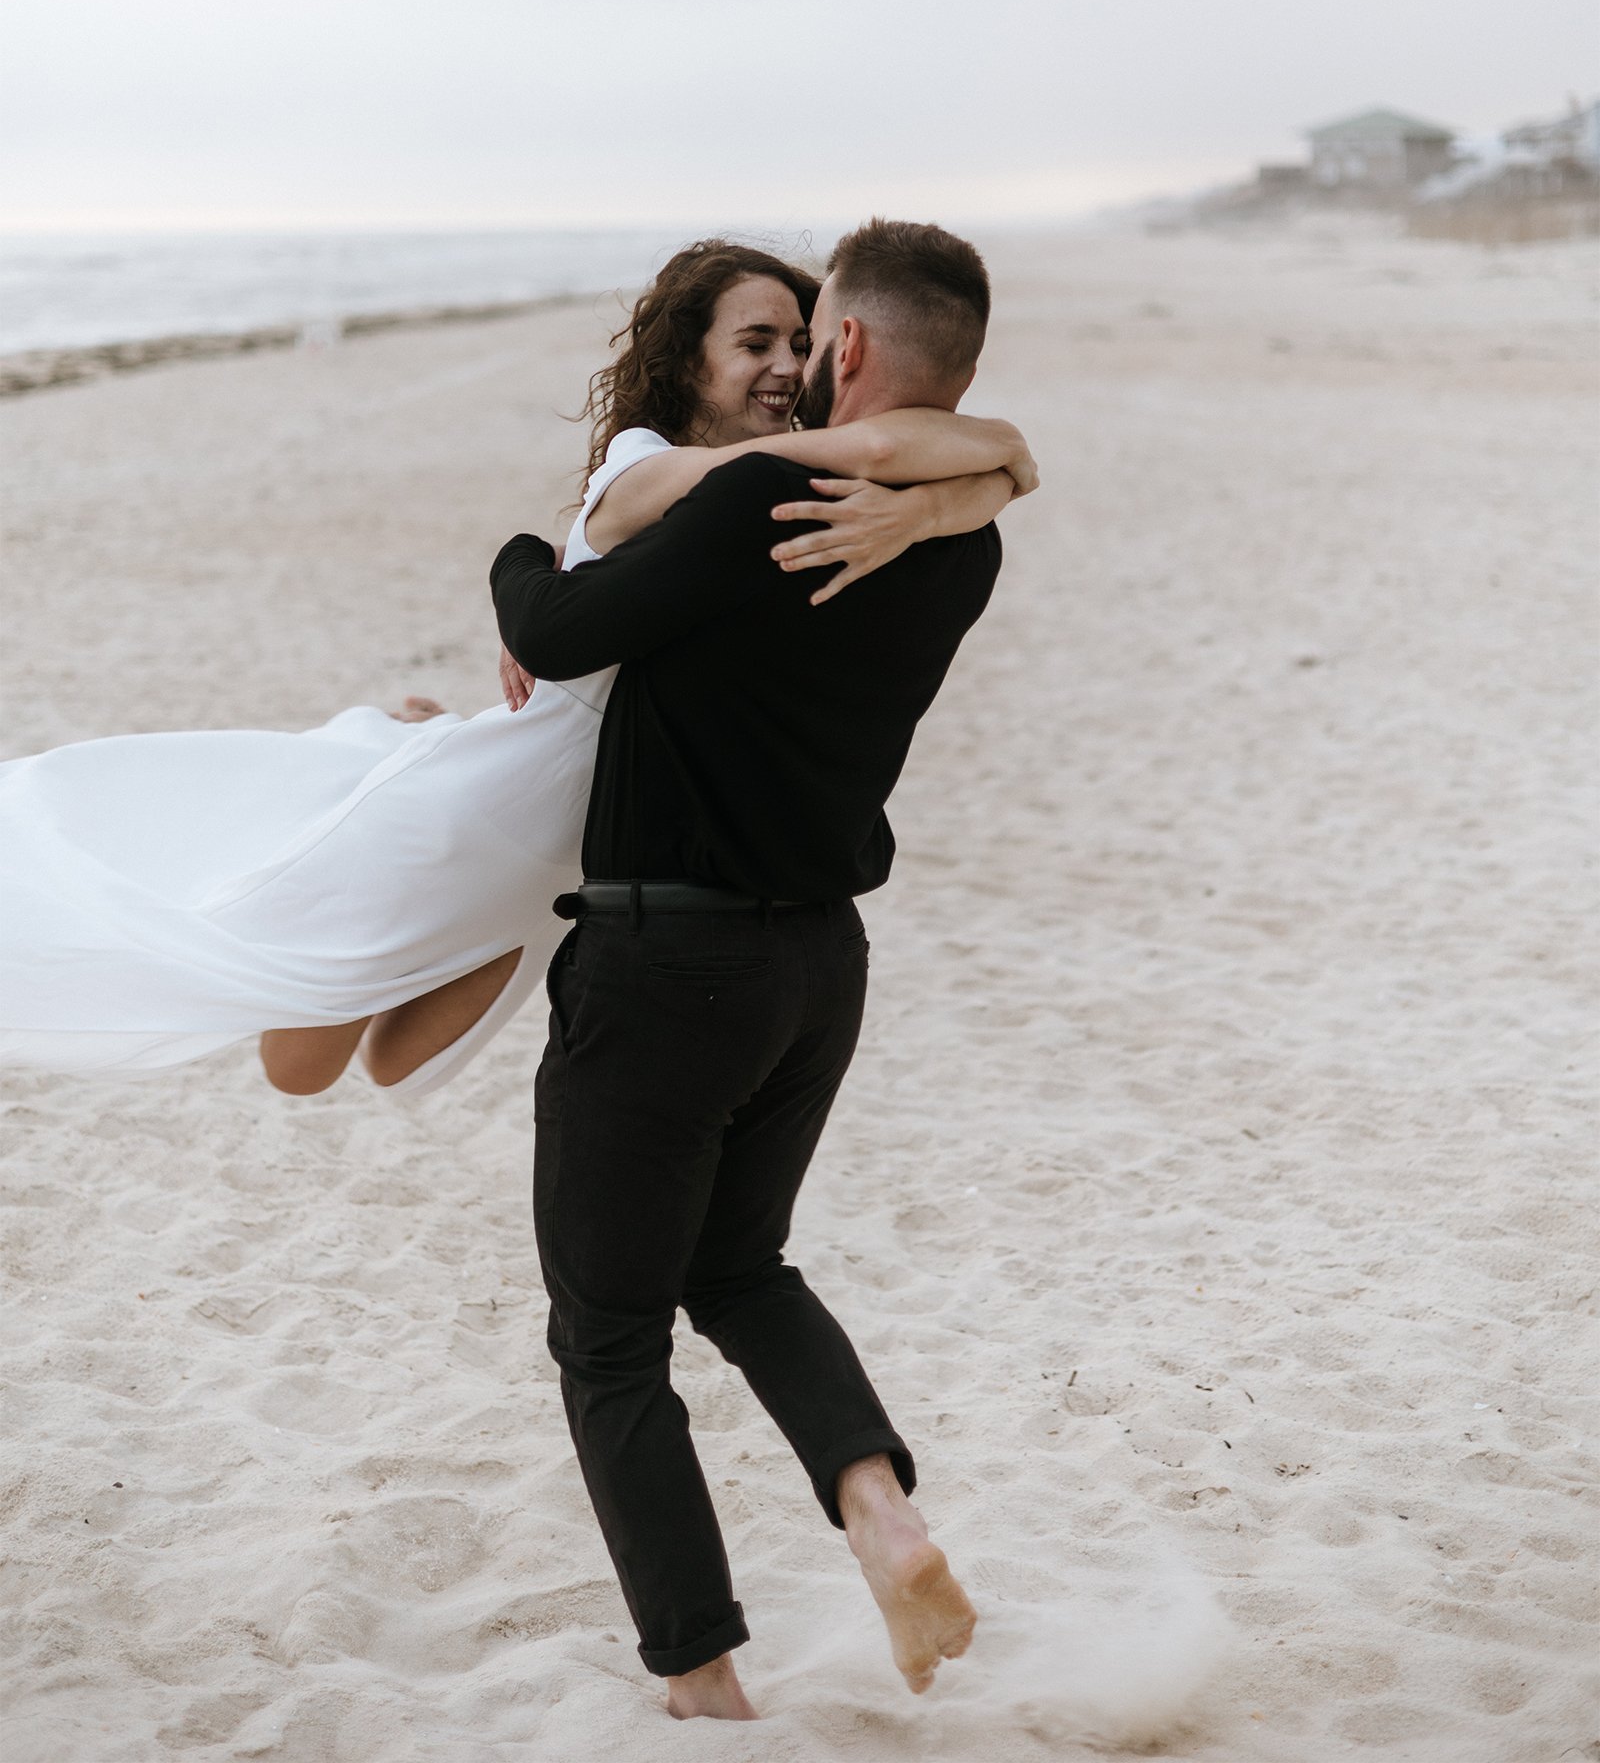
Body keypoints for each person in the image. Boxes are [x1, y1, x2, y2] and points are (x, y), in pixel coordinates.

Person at [0, 240, 1033, 1095]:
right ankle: (398, 767)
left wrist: (953, 493)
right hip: (490, 803)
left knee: (391, 1065)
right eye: (753, 340)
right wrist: (979, 470)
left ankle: (405, 757)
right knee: (295, 1060)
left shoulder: (779, 490)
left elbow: (935, 452)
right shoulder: (647, 463)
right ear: (686, 364)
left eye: (801, 342)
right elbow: (935, 448)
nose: (782, 363)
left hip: (574, 857)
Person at [491, 218, 1014, 1719]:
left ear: (844, 349)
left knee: (605, 1335)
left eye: (809, 338)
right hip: (817, 973)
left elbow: (558, 627)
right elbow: (988, 456)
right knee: (743, 1267)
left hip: (667, 965)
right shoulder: (962, 534)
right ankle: (881, 1511)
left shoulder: (761, 508)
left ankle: (705, 1680)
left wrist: (516, 549)